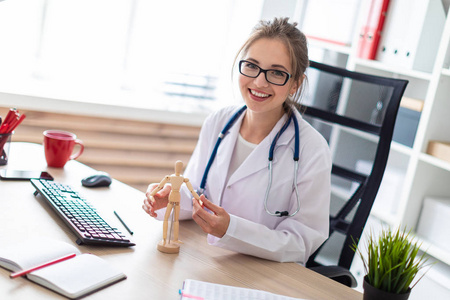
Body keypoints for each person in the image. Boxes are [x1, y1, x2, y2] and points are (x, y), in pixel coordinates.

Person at [142, 17, 331, 263]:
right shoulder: (219, 122)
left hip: (265, 276)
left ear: (296, 83)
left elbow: (301, 244)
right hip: (208, 260)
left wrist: (232, 230)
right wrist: (172, 199)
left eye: (276, 73)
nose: (259, 82)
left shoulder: (311, 149)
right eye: (252, 66)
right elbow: (198, 194)